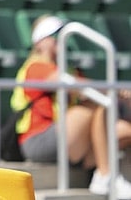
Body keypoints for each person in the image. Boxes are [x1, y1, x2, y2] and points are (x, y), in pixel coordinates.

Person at [11, 14, 131, 197]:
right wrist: (114, 91)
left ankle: (109, 175)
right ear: (40, 42)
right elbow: (78, 86)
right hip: (38, 140)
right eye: (54, 35)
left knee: (124, 130)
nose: (60, 40)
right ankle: (105, 176)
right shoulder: (35, 66)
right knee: (97, 103)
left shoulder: (68, 69)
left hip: (71, 140)